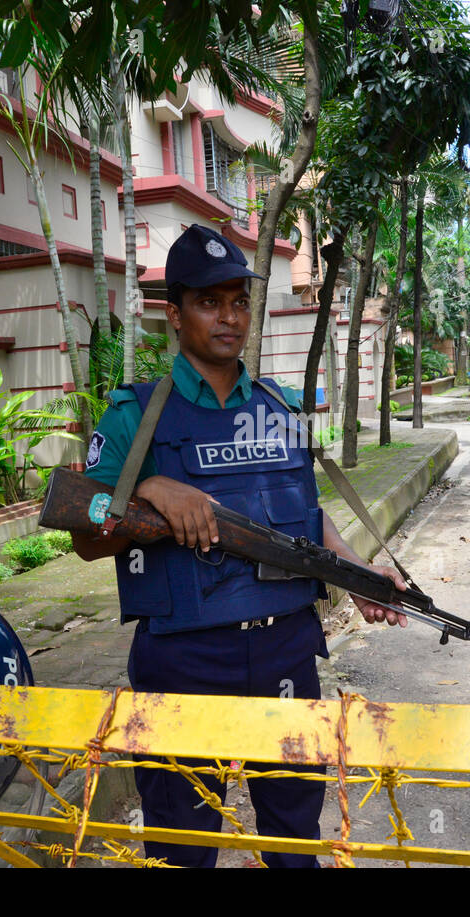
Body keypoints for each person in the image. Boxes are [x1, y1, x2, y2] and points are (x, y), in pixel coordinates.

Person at [72, 223, 406, 867]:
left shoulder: (278, 405)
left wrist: (362, 574)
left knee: (293, 837)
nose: (229, 317)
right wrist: (151, 489)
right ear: (173, 314)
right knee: (184, 841)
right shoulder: (133, 414)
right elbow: (85, 531)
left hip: (287, 650)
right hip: (185, 661)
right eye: (208, 301)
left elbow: (307, 521)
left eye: (239, 301)